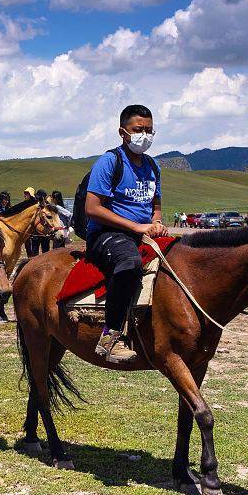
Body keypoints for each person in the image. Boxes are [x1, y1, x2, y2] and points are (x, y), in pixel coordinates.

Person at [84, 104, 164, 364]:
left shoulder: (153, 166)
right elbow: (92, 208)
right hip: (107, 234)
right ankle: (111, 337)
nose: (145, 135)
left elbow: (156, 206)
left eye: (149, 131)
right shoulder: (109, 162)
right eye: (138, 130)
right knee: (129, 264)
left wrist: (157, 221)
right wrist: (136, 227)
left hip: (141, 233)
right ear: (123, 132)